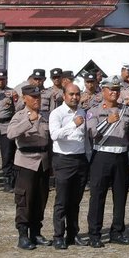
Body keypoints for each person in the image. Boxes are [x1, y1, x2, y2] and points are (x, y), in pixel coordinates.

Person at [84, 76, 129, 247]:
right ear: (103, 91)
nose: (114, 92)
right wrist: (107, 121)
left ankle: (117, 231)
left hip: (121, 156)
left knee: (120, 197)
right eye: (111, 89)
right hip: (102, 156)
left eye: (117, 89)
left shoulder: (126, 110)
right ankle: (94, 234)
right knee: (97, 196)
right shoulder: (94, 110)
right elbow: (92, 133)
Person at [7, 84, 52, 250]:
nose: (36, 100)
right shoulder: (19, 116)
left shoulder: (46, 116)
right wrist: (28, 121)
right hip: (26, 161)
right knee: (24, 199)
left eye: (38, 97)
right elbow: (10, 134)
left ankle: (36, 232)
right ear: (24, 98)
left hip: (43, 161)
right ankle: (23, 235)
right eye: (33, 97)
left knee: (41, 198)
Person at [48, 84, 89, 249]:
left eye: (77, 94)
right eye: (71, 94)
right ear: (64, 96)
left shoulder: (82, 112)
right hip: (63, 160)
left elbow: (85, 138)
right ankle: (59, 235)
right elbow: (54, 135)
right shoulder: (57, 113)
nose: (75, 97)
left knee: (75, 200)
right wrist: (73, 124)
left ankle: (73, 234)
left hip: (80, 159)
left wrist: (88, 156)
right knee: (62, 200)